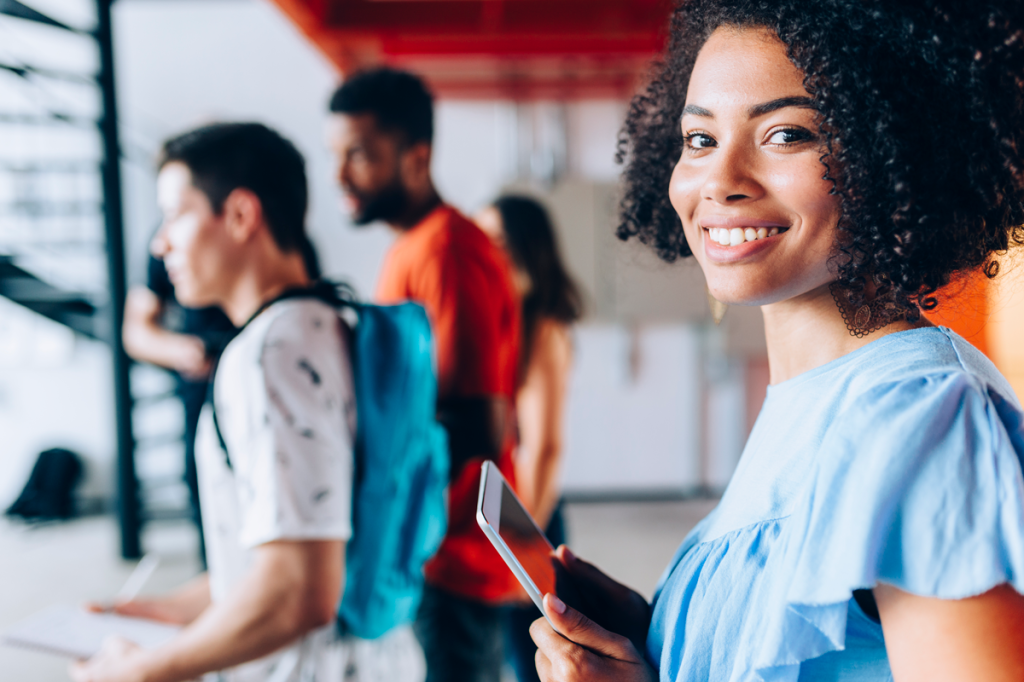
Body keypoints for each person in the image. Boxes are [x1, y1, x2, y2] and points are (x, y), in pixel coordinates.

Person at [528, 1, 1024, 680]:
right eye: (699, 140)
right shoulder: (816, 399)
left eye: (787, 134)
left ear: (894, 151)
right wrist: (665, 636)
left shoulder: (919, 422)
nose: (721, 181)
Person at [71, 122, 424, 682]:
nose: (160, 243)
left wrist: (139, 672)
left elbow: (298, 593)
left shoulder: (273, 354)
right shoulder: (331, 325)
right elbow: (293, 548)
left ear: (239, 215)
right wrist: (172, 613)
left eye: (174, 215)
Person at [327, 68, 521, 682]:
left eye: (360, 155)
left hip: (454, 552)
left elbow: (479, 424)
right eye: (337, 155)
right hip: (427, 545)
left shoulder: (448, 253)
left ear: (416, 156)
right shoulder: (411, 247)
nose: (340, 176)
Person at [474, 196, 582, 682]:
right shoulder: (508, 319)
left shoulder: (544, 329)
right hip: (508, 512)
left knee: (534, 658)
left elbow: (545, 446)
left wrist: (521, 551)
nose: (484, 253)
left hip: (528, 518)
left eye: (495, 241)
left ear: (524, 249)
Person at [123, 244, 236, 565]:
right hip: (201, 395)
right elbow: (136, 332)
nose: (161, 241)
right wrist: (182, 351)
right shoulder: (164, 249)